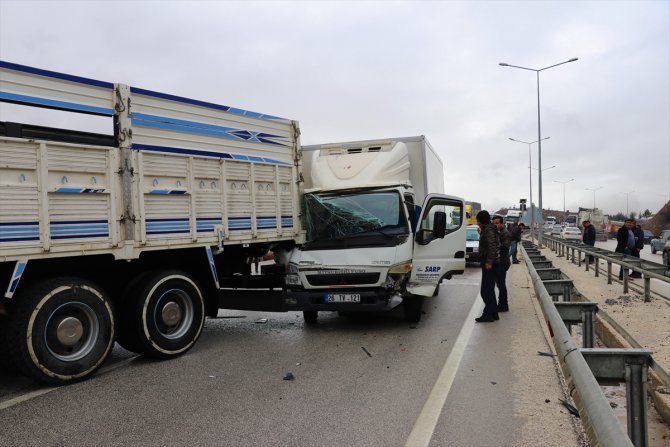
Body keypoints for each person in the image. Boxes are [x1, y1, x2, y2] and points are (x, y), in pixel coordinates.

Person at [475, 210, 500, 323]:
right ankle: (494, 313)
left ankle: (488, 314)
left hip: (490, 263)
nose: (477, 223)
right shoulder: (488, 229)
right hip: (490, 262)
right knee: (489, 289)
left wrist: (489, 262)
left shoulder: (489, 230)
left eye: (478, 221)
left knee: (485, 291)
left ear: (481, 221)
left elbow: (491, 246)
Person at [492, 215, 511, 312]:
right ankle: (502, 304)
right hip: (500, 261)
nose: (495, 225)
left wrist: (495, 247)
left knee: (501, 284)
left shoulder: (505, 233)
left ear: (502, 223)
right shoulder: (499, 232)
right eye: (494, 223)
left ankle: (503, 305)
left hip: (503, 262)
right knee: (499, 284)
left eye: (497, 223)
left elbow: (505, 246)